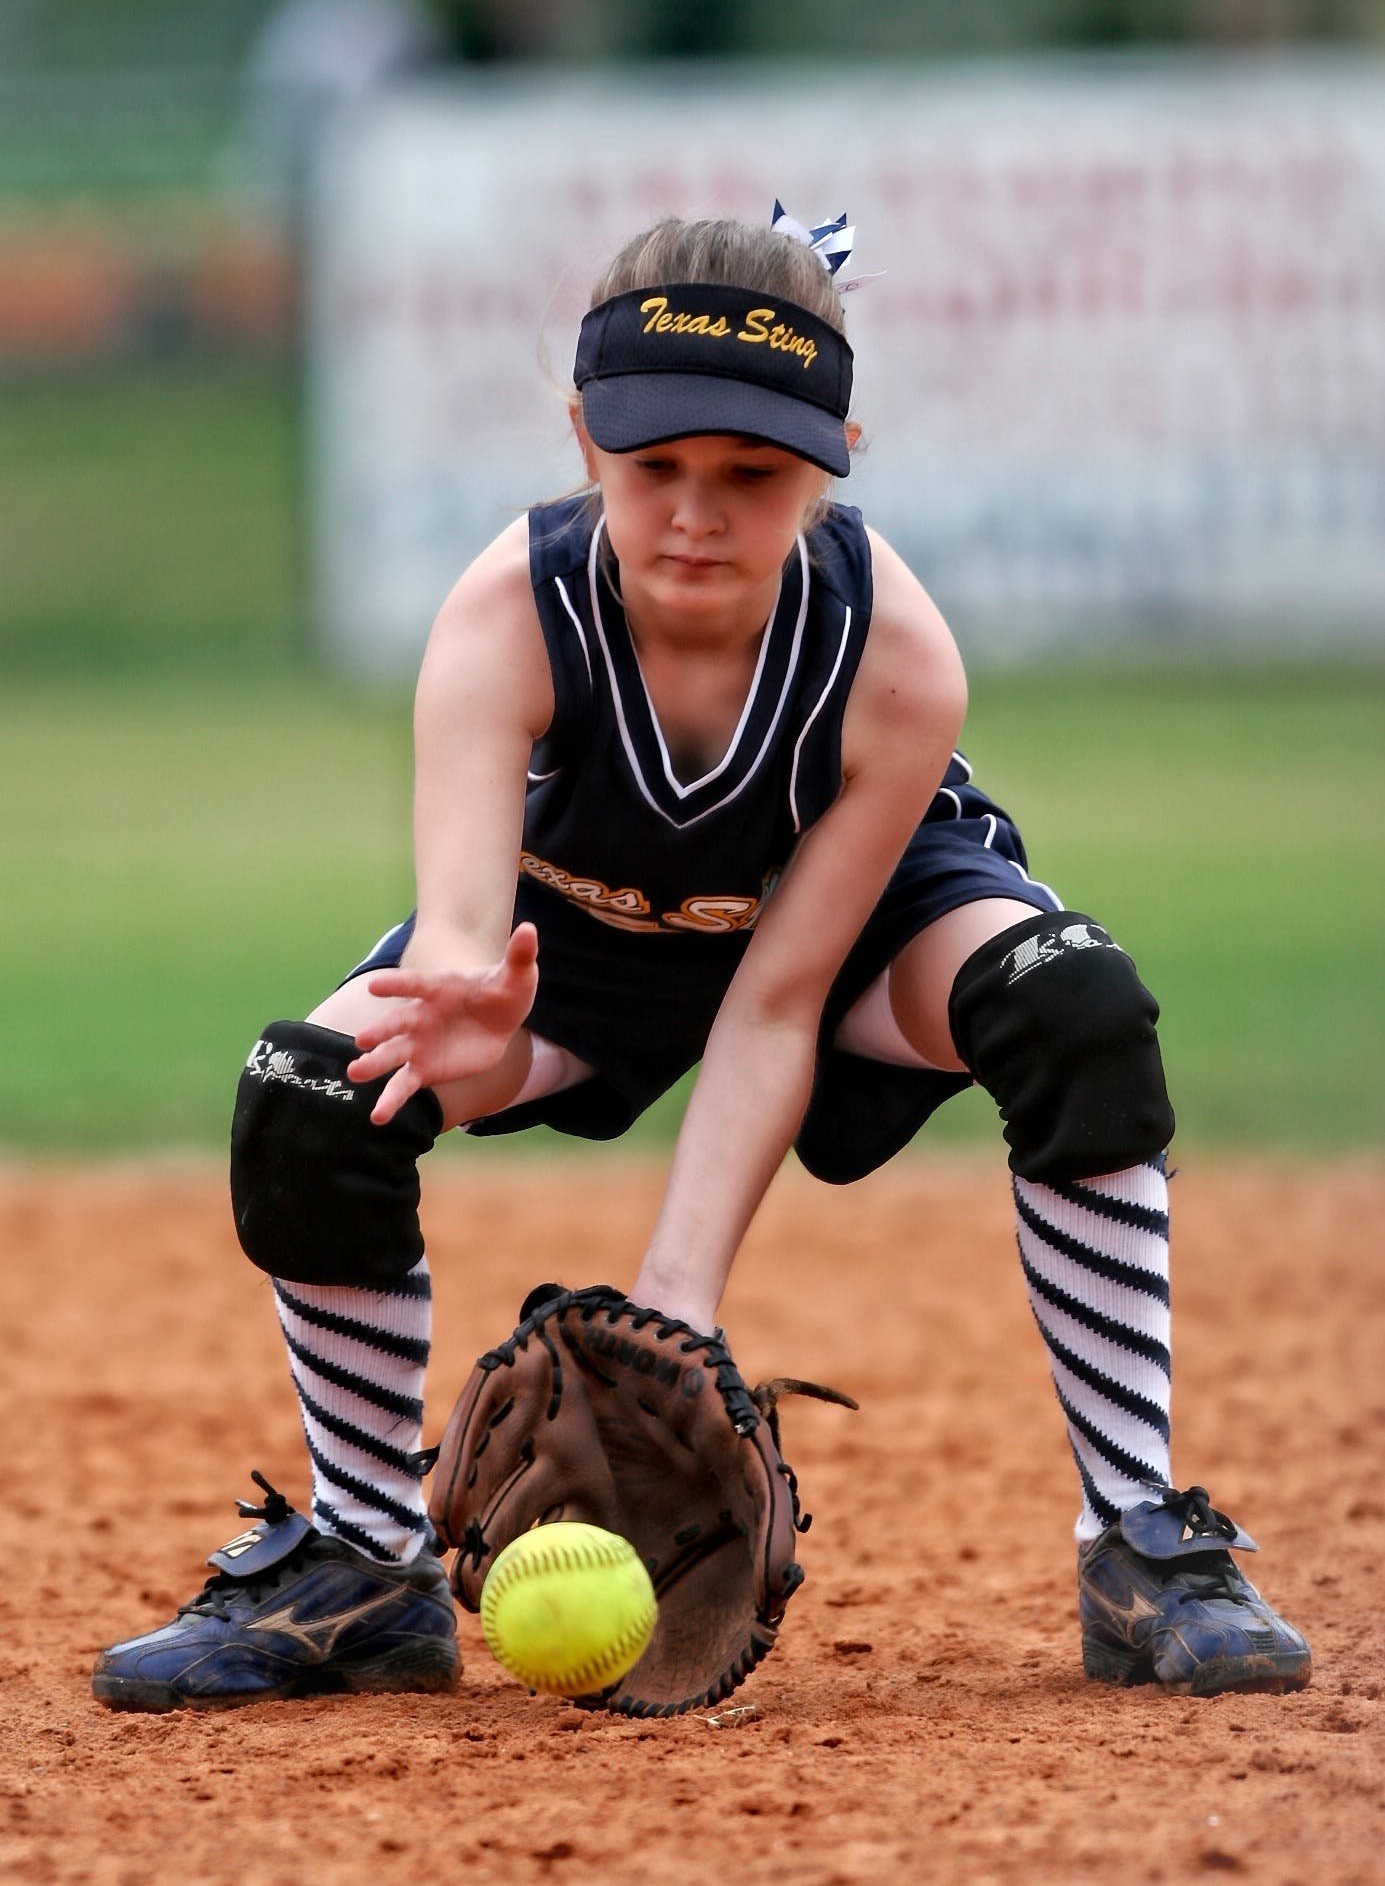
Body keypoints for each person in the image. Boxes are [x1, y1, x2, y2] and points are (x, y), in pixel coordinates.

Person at [92, 210, 1310, 1712]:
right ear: (581, 438)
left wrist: (676, 1300)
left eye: (756, 474)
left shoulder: (893, 655)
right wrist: (470, 1011)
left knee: (1072, 998)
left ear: (839, 449)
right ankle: (366, 1566)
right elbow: (466, 933)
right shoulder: (505, 615)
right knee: (309, 1083)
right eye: (653, 466)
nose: (696, 514)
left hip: (846, 939)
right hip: (572, 944)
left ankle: (1141, 1547)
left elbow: (778, 997)